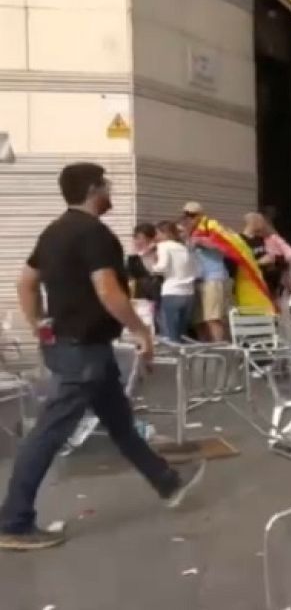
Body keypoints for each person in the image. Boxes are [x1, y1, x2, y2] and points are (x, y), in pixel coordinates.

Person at [0, 163, 205, 551]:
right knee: (49, 432)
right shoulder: (95, 234)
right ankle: (13, 521)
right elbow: (109, 292)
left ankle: (166, 482)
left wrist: (38, 324)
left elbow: (25, 282)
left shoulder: (55, 231)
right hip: (84, 350)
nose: (111, 189)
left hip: (71, 344)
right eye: (107, 184)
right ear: (95, 189)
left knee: (119, 421)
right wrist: (142, 332)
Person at [181, 202, 232, 342]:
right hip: (197, 279)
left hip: (213, 278)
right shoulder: (188, 233)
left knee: (212, 318)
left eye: (192, 215)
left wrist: (203, 241)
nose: (188, 219)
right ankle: (205, 352)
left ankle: (222, 349)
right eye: (185, 215)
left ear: (200, 215)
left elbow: (226, 248)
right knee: (199, 321)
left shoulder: (211, 228)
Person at [152, 221, 196, 343]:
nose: (156, 237)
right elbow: (195, 269)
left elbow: (162, 266)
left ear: (164, 233)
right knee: (181, 333)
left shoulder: (164, 246)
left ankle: (174, 360)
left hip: (172, 291)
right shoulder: (183, 247)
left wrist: (153, 266)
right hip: (189, 292)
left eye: (157, 233)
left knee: (169, 333)